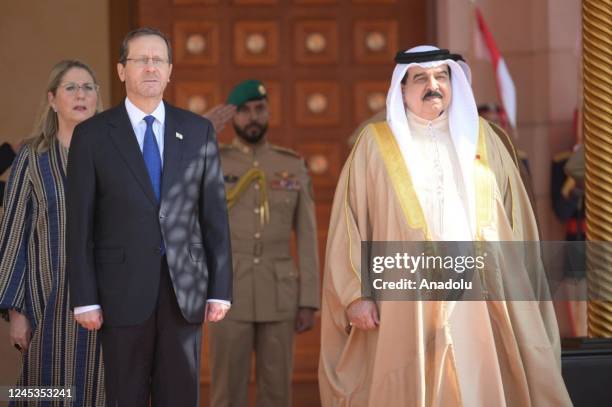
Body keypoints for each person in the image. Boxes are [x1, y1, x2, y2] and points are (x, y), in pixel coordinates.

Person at [318, 46, 571, 406]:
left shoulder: (484, 139)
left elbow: (517, 219)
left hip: (482, 290)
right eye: (420, 78)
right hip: (404, 293)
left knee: (479, 377)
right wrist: (355, 294)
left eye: (441, 76)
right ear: (401, 89)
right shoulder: (373, 146)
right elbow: (349, 223)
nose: (432, 85)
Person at [66, 27, 232, 406]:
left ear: (170, 71)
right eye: (141, 60)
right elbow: (79, 225)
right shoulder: (92, 136)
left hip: (184, 292)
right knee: (127, 396)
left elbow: (214, 218)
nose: (151, 67)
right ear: (122, 70)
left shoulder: (198, 131)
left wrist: (220, 288)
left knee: (180, 395)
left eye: (159, 60)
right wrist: (85, 298)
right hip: (119, 292)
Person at [208, 79, 320, 407]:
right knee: (227, 390)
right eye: (243, 111)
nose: (253, 117)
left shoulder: (291, 164)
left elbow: (308, 235)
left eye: (259, 109)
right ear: (232, 117)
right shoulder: (211, 159)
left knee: (277, 391)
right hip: (227, 291)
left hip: (279, 289)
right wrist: (201, 131)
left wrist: (308, 300)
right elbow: (178, 193)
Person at [0, 60, 105, 405]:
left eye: (88, 87)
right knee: (45, 393)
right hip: (48, 303)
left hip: (108, 303)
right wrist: (16, 313)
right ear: (52, 99)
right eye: (70, 88)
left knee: (100, 392)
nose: (80, 95)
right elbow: (14, 233)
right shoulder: (33, 157)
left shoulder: (117, 156)